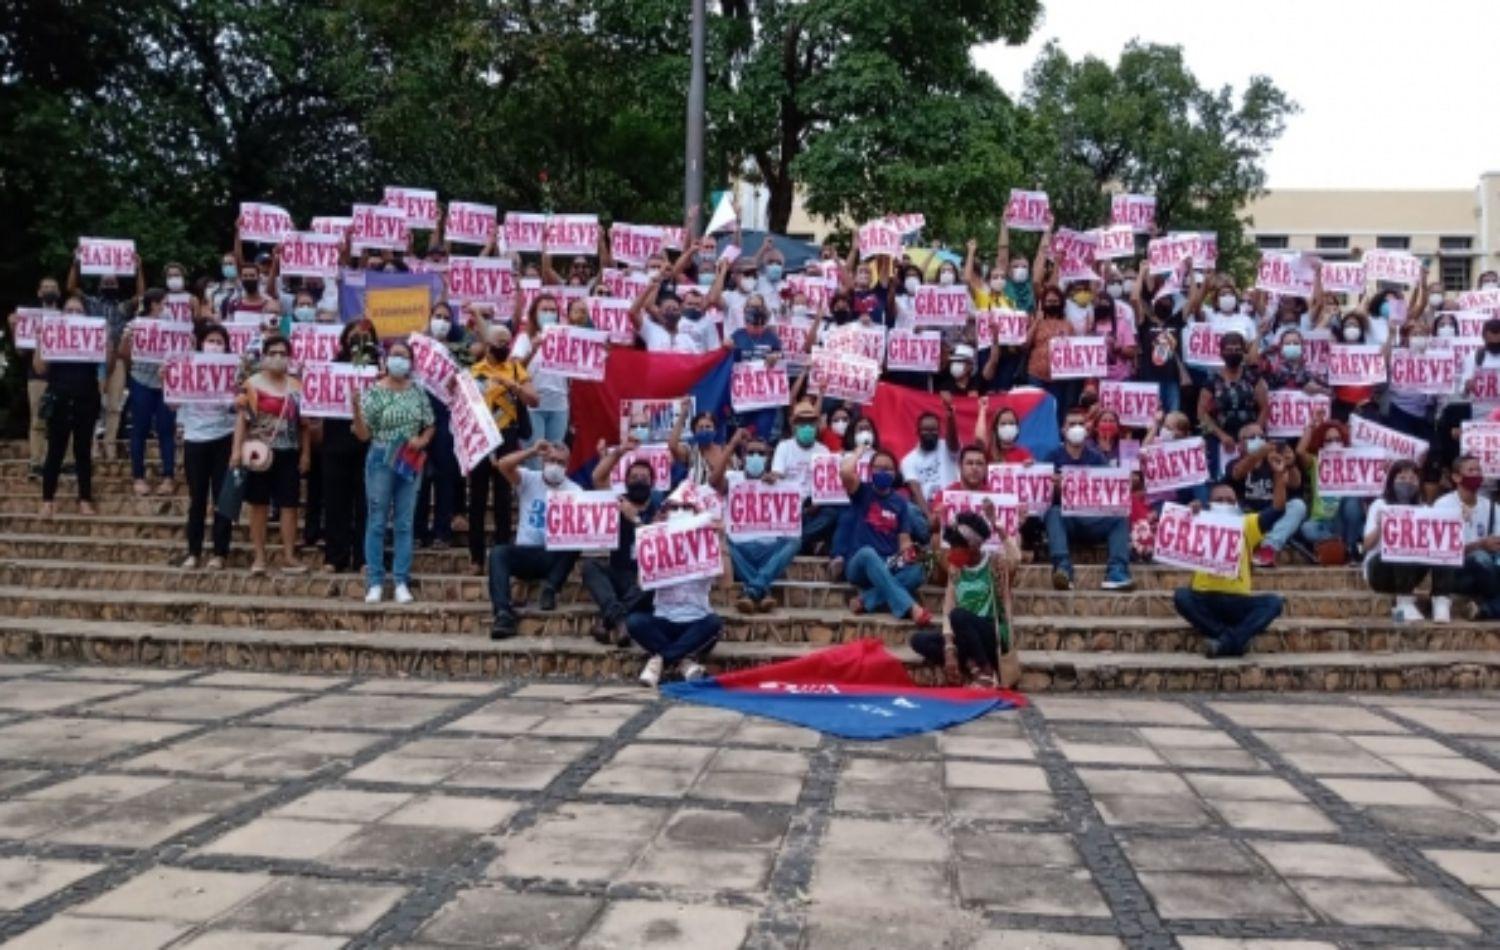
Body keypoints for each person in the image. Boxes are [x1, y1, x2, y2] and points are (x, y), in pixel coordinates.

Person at [1172, 462, 1292, 658]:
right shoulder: (1198, 521)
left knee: (1274, 603)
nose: (1225, 503)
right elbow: (1173, 540)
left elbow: (1277, 509)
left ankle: (1224, 641)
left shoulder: (1247, 523)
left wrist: (1278, 476)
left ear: (1236, 505)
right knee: (1181, 597)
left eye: (1230, 500)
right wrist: (1186, 515)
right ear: (1209, 504)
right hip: (1205, 598)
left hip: (1239, 602)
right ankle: (1232, 640)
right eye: (1219, 500)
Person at [353, 339, 435, 604]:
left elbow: (430, 423)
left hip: (409, 459)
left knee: (404, 522)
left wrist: (422, 440)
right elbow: (364, 434)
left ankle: (401, 580)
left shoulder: (418, 391)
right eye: (394, 355)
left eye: (404, 356)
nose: (399, 360)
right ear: (386, 360)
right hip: (380, 456)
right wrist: (355, 408)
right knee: (377, 520)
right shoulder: (374, 392)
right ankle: (375, 581)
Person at [910, 510, 1021, 688]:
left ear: (973, 546)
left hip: (990, 634)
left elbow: (1015, 559)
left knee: (959, 616)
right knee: (919, 640)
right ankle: (971, 666)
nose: (952, 552)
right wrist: (949, 649)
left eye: (956, 547)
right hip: (964, 635)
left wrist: (1000, 529)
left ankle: (986, 671)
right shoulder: (956, 569)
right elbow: (948, 607)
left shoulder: (995, 564)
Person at [628, 492, 728, 687]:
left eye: (686, 508)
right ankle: (683, 662)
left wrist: (721, 541)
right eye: (674, 508)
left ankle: (660, 659)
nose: (680, 512)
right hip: (663, 620)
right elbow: (642, 584)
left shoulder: (706, 544)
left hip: (696, 620)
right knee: (634, 622)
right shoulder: (657, 544)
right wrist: (652, 541)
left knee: (714, 623)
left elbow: (727, 583)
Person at [487, 440, 582, 639]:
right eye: (552, 460)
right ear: (543, 461)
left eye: (561, 462)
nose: (556, 466)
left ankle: (550, 589)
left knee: (577, 542)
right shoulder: (530, 479)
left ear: (567, 466)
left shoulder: (575, 491)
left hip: (554, 555)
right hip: (526, 552)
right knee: (498, 553)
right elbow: (503, 465)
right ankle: (503, 613)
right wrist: (531, 451)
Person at [232, 333, 309, 575]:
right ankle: (259, 557)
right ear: (264, 356)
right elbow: (242, 421)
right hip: (258, 452)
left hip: (288, 451)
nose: (278, 358)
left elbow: (304, 424)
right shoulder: (252, 384)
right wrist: (236, 451)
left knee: (289, 505)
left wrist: (306, 453)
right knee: (259, 505)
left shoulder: (297, 386)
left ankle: (288, 555)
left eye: (283, 354)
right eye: (273, 353)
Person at [468, 324, 538, 574]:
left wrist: (514, 386)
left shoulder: (516, 369)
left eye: (507, 342)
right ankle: (476, 558)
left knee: (503, 497)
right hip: (480, 437)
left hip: (506, 436)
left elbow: (534, 399)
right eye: (499, 342)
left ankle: (501, 554)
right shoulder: (473, 371)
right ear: (487, 344)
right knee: (476, 498)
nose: (504, 346)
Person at [1044, 407, 1135, 591]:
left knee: (1120, 516)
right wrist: (1057, 490)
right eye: (1071, 424)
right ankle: (1062, 569)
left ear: (1086, 430)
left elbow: (1110, 493)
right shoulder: (1052, 457)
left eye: (1080, 424)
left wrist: (1125, 482)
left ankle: (1116, 571)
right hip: (1068, 521)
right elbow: (1041, 498)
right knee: (1053, 513)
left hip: (1094, 519)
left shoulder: (1097, 458)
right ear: (1063, 430)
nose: (1076, 428)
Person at [838, 447, 933, 624]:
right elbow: (844, 471)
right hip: (859, 564)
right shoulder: (862, 491)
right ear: (870, 470)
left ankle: (866, 600)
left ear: (895, 473)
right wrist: (860, 450)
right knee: (868, 553)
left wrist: (909, 553)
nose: (883, 472)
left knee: (917, 572)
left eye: (887, 469)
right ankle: (910, 608)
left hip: (887, 563)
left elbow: (904, 540)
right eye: (878, 468)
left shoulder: (901, 503)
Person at [173, 323, 236, 569]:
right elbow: (172, 405)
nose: (215, 346)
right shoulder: (186, 368)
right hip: (195, 439)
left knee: (223, 497)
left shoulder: (234, 369)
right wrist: (168, 381)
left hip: (224, 436)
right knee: (197, 498)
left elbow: (239, 406)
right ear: (200, 343)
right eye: (211, 340)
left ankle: (220, 552)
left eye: (220, 342)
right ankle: (194, 551)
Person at [36, 294, 104, 516]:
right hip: (59, 397)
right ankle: (47, 500)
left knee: (83, 451)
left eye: (78, 311)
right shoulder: (54, 336)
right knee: (55, 451)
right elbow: (40, 369)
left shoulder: (92, 336)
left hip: (86, 397)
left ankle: (85, 499)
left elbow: (108, 367)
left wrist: (108, 342)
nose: (74, 315)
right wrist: (40, 341)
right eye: (69, 311)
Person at [721, 430, 801, 613]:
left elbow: (793, 513)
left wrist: (778, 483)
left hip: (769, 548)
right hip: (739, 547)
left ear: (768, 458)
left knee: (795, 542)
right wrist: (732, 444)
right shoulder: (733, 478)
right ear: (742, 457)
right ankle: (762, 590)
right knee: (721, 543)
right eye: (750, 453)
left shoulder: (779, 482)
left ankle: (751, 591)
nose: (755, 457)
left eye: (760, 453)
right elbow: (713, 480)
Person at [320, 321, 377, 574]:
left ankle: (364, 558)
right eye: (354, 336)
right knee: (335, 503)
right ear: (344, 340)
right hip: (334, 442)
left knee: (366, 503)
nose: (358, 341)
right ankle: (335, 557)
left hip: (368, 445)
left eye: (364, 337)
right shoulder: (329, 368)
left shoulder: (379, 369)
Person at [585, 455, 659, 646]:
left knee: (655, 583)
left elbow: (659, 543)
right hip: (618, 573)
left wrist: (635, 520)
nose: (639, 481)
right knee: (590, 566)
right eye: (634, 478)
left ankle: (606, 621)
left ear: (652, 483)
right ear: (626, 482)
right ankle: (619, 621)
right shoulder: (618, 502)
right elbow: (598, 478)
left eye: (644, 478)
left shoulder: (661, 510)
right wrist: (619, 451)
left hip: (644, 579)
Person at [1362, 460, 1444, 622]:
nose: (1407, 482)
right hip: (1380, 570)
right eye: (1402, 477)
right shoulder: (1380, 505)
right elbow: (1366, 545)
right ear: (1391, 481)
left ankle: (1441, 600)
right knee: (1400, 548)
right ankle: (1404, 601)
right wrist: (1380, 525)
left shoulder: (1425, 510)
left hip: (1412, 571)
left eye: (1412, 479)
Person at [119, 289, 180, 497]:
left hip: (166, 384)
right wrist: (128, 340)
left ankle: (168, 477)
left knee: (166, 430)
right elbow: (124, 354)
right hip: (141, 381)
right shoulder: (135, 325)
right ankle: (138, 477)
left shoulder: (174, 327)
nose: (168, 307)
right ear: (154, 304)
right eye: (164, 303)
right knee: (139, 430)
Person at [1228, 422, 1307, 567]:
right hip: (1247, 517)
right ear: (1241, 443)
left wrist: (1290, 463)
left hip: (1274, 516)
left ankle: (1268, 547)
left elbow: (1295, 483)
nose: (1258, 439)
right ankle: (1236, 550)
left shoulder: (1273, 460)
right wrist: (1259, 454)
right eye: (1252, 437)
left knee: (1298, 506)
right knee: (1226, 509)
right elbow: (1238, 473)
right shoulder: (1233, 463)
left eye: (1261, 436)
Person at [1433, 455, 1500, 622]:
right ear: (1456, 477)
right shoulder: (1442, 505)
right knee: (1481, 557)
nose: (1476, 474)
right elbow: (1440, 551)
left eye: (1479, 470)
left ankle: (1486, 610)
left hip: (1487, 572)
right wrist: (1480, 545)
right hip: (1455, 574)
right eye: (1471, 470)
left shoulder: (1492, 507)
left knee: (1486, 560)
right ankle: (1493, 604)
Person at [1294, 418, 1365, 564]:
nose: (1334, 443)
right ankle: (1342, 547)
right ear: (1322, 443)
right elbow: (1300, 452)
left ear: (1344, 441)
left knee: (1352, 501)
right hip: (1323, 523)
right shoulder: (1315, 462)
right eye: (1329, 440)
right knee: (1307, 528)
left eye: (1338, 439)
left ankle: (1350, 547)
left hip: (1345, 521)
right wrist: (1310, 428)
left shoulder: (1355, 464)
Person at [1198, 331, 1268, 479]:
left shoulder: (1253, 377)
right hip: (1221, 439)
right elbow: (1202, 413)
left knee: (1252, 477)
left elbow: (1264, 408)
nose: (1233, 353)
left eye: (1237, 350)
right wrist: (1222, 436)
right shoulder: (1212, 380)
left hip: (1250, 438)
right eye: (1229, 350)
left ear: (1243, 352)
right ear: (1221, 353)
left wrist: (1255, 433)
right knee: (1223, 477)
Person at [773, 400, 837, 554]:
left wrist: (819, 502)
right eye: (802, 423)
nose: (807, 427)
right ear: (794, 426)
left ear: (816, 426)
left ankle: (796, 542)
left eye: (811, 423)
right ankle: (805, 543)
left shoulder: (824, 451)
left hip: (814, 507)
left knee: (833, 513)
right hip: (789, 506)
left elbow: (828, 487)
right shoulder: (784, 447)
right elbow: (777, 475)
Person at [899, 398, 960, 514]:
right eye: (926, 430)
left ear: (939, 431)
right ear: (917, 431)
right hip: (927, 510)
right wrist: (929, 517)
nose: (930, 433)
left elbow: (953, 441)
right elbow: (915, 491)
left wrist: (951, 418)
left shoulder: (947, 447)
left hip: (953, 507)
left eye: (934, 430)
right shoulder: (908, 460)